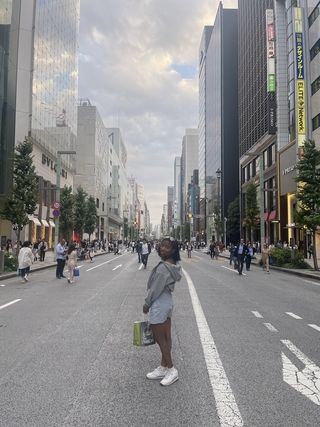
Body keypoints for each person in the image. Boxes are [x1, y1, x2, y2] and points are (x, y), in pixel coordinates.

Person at [143, 238, 182, 386]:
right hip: (167, 301)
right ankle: (164, 366)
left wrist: (147, 304)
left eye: (167, 247)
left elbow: (155, 289)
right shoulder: (172, 266)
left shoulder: (163, 268)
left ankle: (171, 369)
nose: (162, 249)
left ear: (173, 250)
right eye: (162, 246)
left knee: (160, 338)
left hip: (159, 302)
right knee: (166, 336)